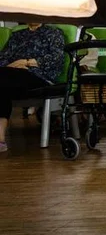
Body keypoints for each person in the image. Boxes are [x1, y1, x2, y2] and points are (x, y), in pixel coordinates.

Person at [0, 23, 65, 152]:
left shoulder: (53, 33)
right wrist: (12, 65)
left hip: (38, 76)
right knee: (2, 86)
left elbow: (56, 59)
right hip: (11, 73)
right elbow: (2, 57)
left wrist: (26, 62)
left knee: (4, 81)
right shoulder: (17, 35)